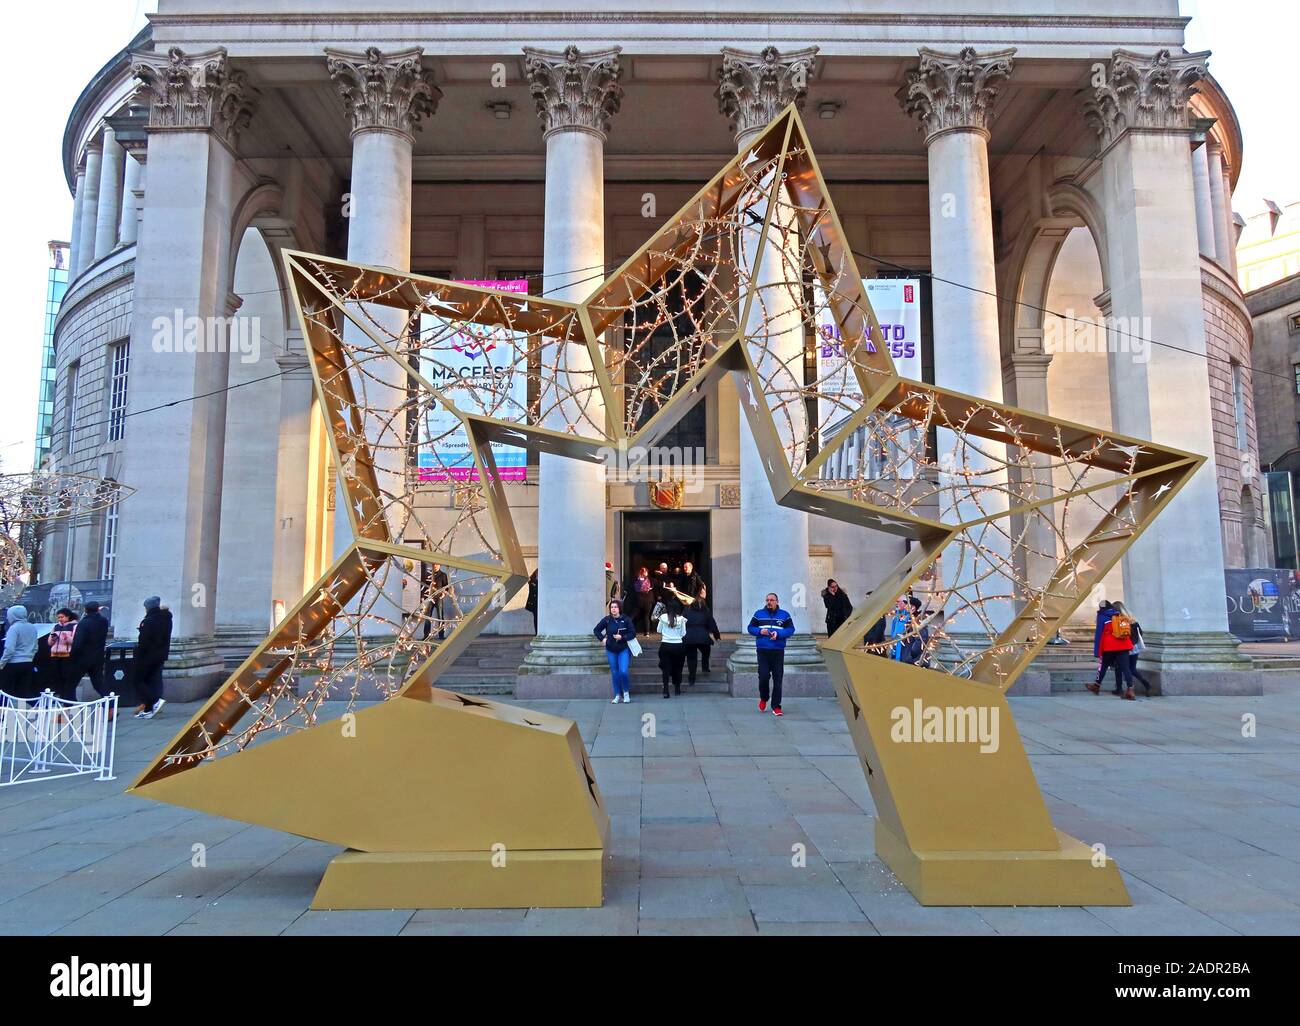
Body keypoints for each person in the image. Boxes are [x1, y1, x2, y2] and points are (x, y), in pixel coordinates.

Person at [747, 592, 795, 716]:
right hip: (763, 651)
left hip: (778, 651)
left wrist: (779, 634)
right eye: (767, 600)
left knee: (778, 679)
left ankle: (776, 706)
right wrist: (759, 631)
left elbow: (791, 630)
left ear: (777, 602)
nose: (769, 602)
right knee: (763, 676)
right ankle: (764, 697)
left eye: (772, 600)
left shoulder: (785, 615)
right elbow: (750, 627)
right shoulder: (759, 614)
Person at [1087, 599, 1136, 700]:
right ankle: (1130, 690)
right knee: (1125, 668)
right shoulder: (1119, 614)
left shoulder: (1101, 616)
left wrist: (1097, 651)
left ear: (1101, 608)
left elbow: (1099, 634)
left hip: (1109, 646)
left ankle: (1096, 686)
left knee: (1103, 666)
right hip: (1123, 645)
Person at [134, 596, 173, 719]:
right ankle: (150, 707)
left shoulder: (149, 620)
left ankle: (153, 701)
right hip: (161, 654)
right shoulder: (166, 618)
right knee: (154, 679)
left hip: (148, 655)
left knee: (138, 680)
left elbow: (144, 641)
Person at [593, 599, 636, 704]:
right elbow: (596, 630)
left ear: (619, 608)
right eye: (612, 607)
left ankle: (626, 693)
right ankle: (617, 695)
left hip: (623, 649)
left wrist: (622, 637)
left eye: (615, 607)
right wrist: (602, 639)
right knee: (615, 672)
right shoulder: (607, 620)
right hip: (611, 649)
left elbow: (633, 633)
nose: (613, 609)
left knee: (623, 671)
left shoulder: (626, 619)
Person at [70, 600, 110, 706]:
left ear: (85, 610)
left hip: (82, 658)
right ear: (97, 609)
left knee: (70, 684)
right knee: (98, 684)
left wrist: (72, 655)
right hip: (97, 657)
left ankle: (69, 708)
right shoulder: (104, 621)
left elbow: (78, 642)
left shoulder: (84, 623)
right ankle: (110, 706)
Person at [0, 605, 39, 700]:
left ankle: (6, 713)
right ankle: (22, 711)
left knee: (7, 691)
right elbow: (35, 647)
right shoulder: (32, 627)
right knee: (24, 691)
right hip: (28, 663)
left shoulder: (14, 628)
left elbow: (9, 649)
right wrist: (29, 657)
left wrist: (1, 663)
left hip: (13, 664)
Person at [682, 594, 721, 685]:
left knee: (691, 658)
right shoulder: (706, 612)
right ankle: (705, 667)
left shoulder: (687, 611)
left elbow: (681, 624)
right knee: (706, 650)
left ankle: (692, 677)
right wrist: (716, 636)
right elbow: (713, 625)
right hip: (703, 637)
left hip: (689, 637)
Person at [43, 608, 80, 701]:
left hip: (67, 655)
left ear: (68, 616)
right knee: (56, 677)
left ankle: (68, 698)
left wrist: (66, 637)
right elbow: (49, 643)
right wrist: (53, 638)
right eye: (58, 617)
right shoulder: (56, 626)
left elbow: (76, 641)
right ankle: (61, 695)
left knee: (66, 677)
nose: (60, 619)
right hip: (55, 655)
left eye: (62, 617)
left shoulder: (74, 626)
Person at [656, 598, 688, 698]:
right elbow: (683, 633)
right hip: (678, 646)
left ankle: (666, 690)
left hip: (665, 645)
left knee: (665, 669)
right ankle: (677, 687)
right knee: (678, 668)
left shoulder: (663, 617)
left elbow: (658, 630)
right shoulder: (681, 619)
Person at [898, 597, 930, 666]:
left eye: (907, 605)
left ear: (913, 607)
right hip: (908, 659)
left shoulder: (917, 622)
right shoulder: (908, 619)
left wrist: (911, 655)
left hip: (913, 661)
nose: (905, 607)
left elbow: (921, 639)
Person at [629, 567, 655, 633]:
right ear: (647, 573)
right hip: (648, 601)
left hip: (639, 600)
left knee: (633, 615)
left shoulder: (636, 579)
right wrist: (668, 585)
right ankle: (647, 632)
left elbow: (631, 588)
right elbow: (659, 583)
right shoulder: (650, 579)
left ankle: (627, 628)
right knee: (646, 616)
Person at [863, 591, 888, 656]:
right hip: (868, 642)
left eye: (868, 598)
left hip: (875, 643)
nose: (867, 601)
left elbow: (880, 628)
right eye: (866, 598)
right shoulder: (868, 611)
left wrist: (874, 643)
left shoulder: (879, 611)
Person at [887, 597, 913, 661]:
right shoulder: (896, 615)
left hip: (903, 643)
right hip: (894, 641)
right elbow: (893, 629)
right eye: (895, 601)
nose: (896, 603)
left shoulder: (909, 615)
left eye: (898, 602)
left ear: (905, 603)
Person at [524, 569, 538, 634]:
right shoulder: (532, 582)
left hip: (537, 603)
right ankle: (537, 632)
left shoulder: (535, 581)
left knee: (537, 618)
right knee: (536, 618)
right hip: (535, 603)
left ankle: (538, 632)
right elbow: (533, 591)